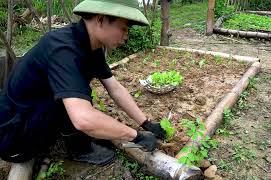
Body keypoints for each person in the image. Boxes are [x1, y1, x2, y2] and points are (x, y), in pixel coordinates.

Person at [0, 0, 165, 175]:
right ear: (100, 20)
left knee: (77, 95)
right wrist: (135, 136)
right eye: (123, 28)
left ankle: (72, 142)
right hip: (14, 134)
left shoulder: (91, 46)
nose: (126, 36)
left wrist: (145, 123)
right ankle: (78, 149)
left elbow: (114, 88)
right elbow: (83, 118)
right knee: (79, 101)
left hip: (35, 114)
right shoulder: (64, 49)